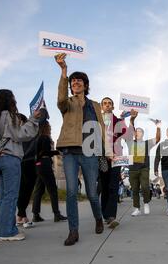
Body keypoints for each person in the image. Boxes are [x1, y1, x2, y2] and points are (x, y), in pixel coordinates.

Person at [55, 53, 105, 246]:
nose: (75, 83)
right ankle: (73, 231)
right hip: (70, 151)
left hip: (90, 152)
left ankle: (98, 218)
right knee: (71, 192)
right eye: (73, 81)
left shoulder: (95, 105)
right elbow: (60, 99)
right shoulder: (67, 103)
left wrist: (106, 151)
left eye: (79, 81)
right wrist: (64, 72)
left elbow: (101, 128)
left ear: (85, 85)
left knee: (92, 193)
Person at [0, 89, 40, 241]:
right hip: (11, 159)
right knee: (11, 196)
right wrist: (33, 119)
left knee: (3, 197)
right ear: (9, 100)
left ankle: (2, 228)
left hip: (1, 159)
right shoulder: (9, 116)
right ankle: (7, 232)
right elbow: (22, 134)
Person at [100, 97, 138, 227]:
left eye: (109, 103)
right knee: (104, 186)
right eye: (105, 103)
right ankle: (104, 214)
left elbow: (129, 136)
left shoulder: (118, 121)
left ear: (113, 107)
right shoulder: (96, 120)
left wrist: (131, 119)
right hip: (101, 157)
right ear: (101, 106)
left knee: (113, 186)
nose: (107, 105)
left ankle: (111, 216)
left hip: (116, 157)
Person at [16, 110, 49, 229]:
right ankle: (21, 215)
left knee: (27, 189)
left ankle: (21, 215)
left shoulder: (30, 133)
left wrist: (41, 113)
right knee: (23, 189)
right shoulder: (19, 134)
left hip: (30, 162)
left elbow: (42, 121)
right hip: (23, 161)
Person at [32, 121, 67, 223]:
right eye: (49, 127)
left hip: (38, 165)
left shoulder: (37, 139)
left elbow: (39, 153)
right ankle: (57, 214)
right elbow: (45, 152)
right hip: (45, 164)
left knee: (38, 190)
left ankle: (35, 214)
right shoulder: (45, 138)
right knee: (52, 189)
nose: (50, 128)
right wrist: (58, 152)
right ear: (46, 128)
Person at [128, 122, 161, 216]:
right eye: (136, 132)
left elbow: (158, 139)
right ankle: (137, 208)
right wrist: (132, 119)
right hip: (132, 169)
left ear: (142, 134)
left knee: (145, 187)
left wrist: (158, 127)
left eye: (139, 131)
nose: (137, 133)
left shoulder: (147, 143)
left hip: (144, 169)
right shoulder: (130, 142)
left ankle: (146, 203)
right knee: (134, 190)